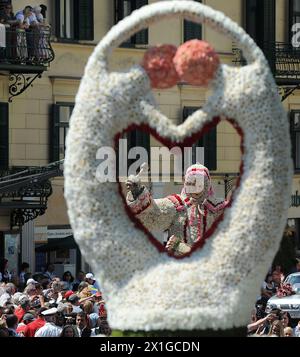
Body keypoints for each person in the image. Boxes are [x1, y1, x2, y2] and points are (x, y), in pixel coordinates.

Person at [126, 163, 228, 256]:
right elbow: (152, 214)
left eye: (199, 183)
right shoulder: (177, 204)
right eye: (191, 182)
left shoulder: (219, 208)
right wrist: (137, 191)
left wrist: (180, 247)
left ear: (207, 183)